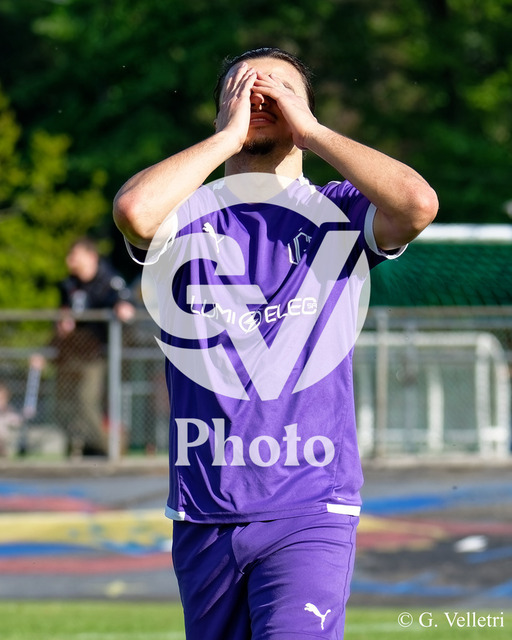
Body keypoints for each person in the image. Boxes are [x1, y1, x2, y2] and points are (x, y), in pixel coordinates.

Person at [113, 47, 438, 639]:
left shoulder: (337, 210)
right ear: (220, 114)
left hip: (310, 506)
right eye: (244, 89)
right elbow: (135, 211)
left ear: (304, 109)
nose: (261, 98)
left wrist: (312, 132)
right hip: (204, 510)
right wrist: (228, 139)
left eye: (279, 90)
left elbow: (417, 205)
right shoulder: (187, 216)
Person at [54, 237, 135, 457]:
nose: (70, 261)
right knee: (64, 404)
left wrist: (123, 307)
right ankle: (83, 448)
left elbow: (126, 303)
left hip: (97, 354)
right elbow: (63, 313)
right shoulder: (70, 285)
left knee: (86, 400)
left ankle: (109, 447)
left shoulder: (109, 280)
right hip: (72, 354)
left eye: (74, 256)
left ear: (91, 257)